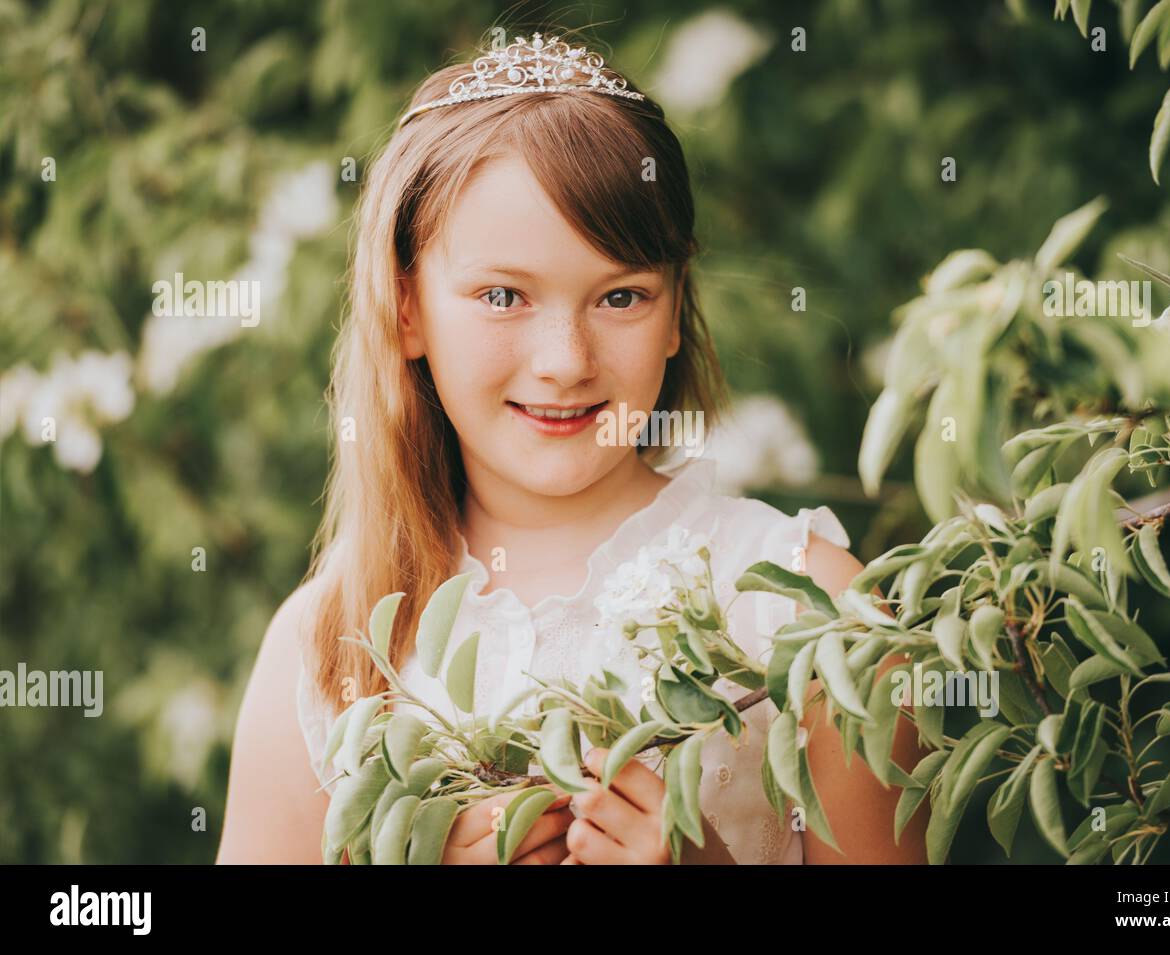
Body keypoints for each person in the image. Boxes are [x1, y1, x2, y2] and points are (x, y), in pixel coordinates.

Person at [217, 29, 927, 865]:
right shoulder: (331, 642)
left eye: (620, 296)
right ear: (407, 307)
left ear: (674, 313)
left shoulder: (805, 609)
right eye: (503, 295)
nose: (564, 361)